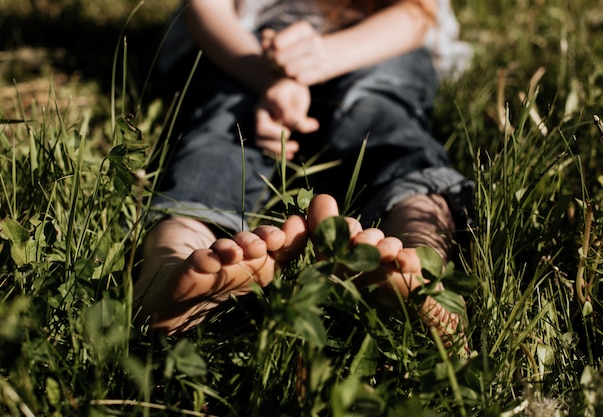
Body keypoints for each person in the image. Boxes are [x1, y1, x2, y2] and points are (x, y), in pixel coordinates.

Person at [134, 0, 473, 341]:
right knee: (225, 123)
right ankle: (171, 266)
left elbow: (416, 13)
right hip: (239, 48)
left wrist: (324, 58)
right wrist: (271, 80)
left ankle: (425, 267)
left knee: (384, 119)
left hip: (374, 43)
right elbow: (206, 8)